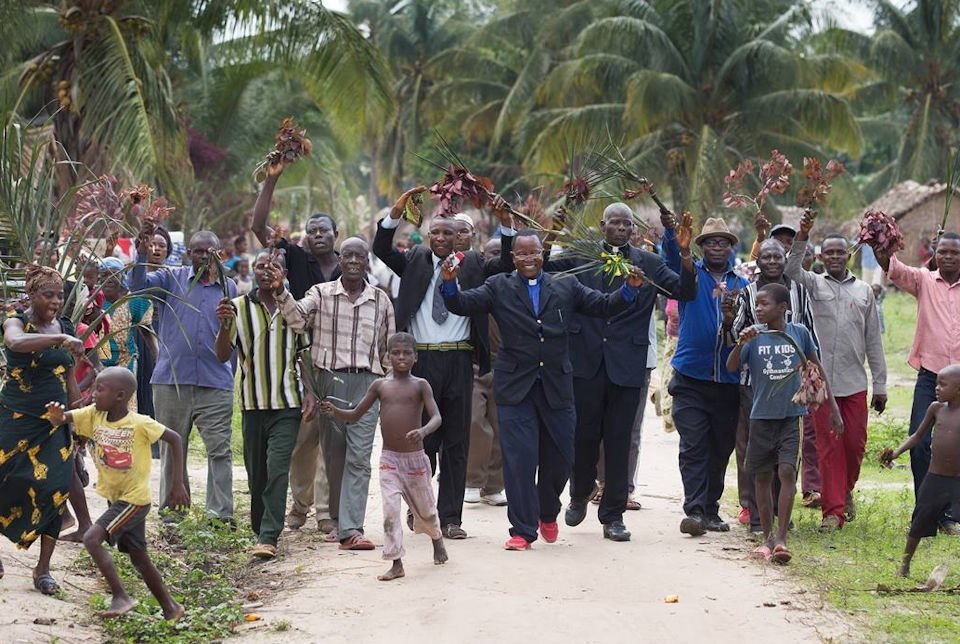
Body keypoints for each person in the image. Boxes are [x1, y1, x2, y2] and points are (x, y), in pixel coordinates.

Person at [440, 231, 644, 550]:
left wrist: (629, 291)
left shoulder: (565, 285)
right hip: (514, 387)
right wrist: (450, 283)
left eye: (533, 253)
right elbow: (460, 303)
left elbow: (604, 306)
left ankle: (548, 511)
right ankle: (522, 530)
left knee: (561, 456)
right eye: (521, 255)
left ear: (542, 254)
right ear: (513, 258)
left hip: (557, 385)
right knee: (519, 460)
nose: (528, 259)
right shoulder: (499, 286)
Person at [546, 203, 696, 542]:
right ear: (603, 225)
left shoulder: (650, 263)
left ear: (633, 229)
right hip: (584, 361)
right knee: (582, 436)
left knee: (618, 440)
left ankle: (613, 515)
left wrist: (684, 253)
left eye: (626, 223)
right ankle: (579, 490)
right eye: (614, 222)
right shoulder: (580, 257)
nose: (620, 228)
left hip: (627, 364)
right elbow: (540, 265)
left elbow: (685, 291)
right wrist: (552, 230)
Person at [373, 186, 515, 539]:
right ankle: (419, 511)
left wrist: (508, 226)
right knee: (421, 441)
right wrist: (397, 211)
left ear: (459, 239)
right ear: (427, 236)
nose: (439, 238)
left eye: (447, 233)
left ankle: (451, 519)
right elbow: (380, 248)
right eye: (434, 232)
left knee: (456, 440)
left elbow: (508, 263)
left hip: (458, 359)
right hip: (420, 365)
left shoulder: (474, 265)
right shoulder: (414, 260)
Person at [273, 237, 395, 550]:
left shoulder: (381, 301)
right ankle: (340, 521)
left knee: (359, 458)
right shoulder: (321, 294)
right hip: (331, 382)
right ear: (341, 260)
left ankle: (352, 528)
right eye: (349, 255)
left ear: (367, 262)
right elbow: (298, 320)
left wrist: (390, 388)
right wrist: (280, 290)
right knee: (335, 454)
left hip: (367, 383)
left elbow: (387, 348)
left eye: (360, 256)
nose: (354, 261)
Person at [45, 367, 188, 620]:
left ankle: (120, 596)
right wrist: (56, 415)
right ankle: (171, 608)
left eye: (100, 389)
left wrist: (177, 484)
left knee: (91, 539)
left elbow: (175, 439)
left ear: (120, 396)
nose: (94, 394)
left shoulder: (140, 423)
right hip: (117, 498)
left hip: (133, 500)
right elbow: (63, 419)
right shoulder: (93, 415)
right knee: (140, 558)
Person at [726, 283, 841, 563]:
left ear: (783, 308)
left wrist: (833, 409)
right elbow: (731, 367)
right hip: (761, 418)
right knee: (762, 477)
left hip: (791, 418)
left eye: (765, 304)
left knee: (788, 472)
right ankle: (766, 538)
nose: (759, 309)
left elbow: (817, 368)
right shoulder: (754, 336)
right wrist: (741, 342)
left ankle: (781, 539)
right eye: (757, 305)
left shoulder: (799, 333)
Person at [130, 224, 237, 523]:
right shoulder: (169, 278)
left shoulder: (230, 288)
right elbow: (137, 288)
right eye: (198, 251)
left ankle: (220, 516)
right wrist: (140, 253)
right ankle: (173, 514)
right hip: (171, 381)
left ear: (219, 254)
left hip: (215, 382)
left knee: (220, 450)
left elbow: (232, 340)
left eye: (210, 251)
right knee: (172, 449)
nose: (204, 256)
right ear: (188, 253)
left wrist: (231, 376)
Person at [252, 160, 337, 533]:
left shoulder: (351, 267)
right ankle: (299, 508)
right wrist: (271, 181)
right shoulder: (297, 260)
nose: (317, 235)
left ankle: (326, 513)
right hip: (301, 359)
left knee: (333, 442)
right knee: (303, 441)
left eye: (324, 230)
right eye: (311, 230)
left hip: (338, 362)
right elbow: (258, 228)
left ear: (338, 234)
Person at [787, 211, 887, 531]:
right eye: (828, 252)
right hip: (821, 384)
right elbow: (791, 269)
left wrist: (881, 384)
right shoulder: (814, 284)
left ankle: (845, 490)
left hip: (855, 381)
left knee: (855, 445)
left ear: (849, 256)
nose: (833, 257)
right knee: (828, 447)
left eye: (839, 252)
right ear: (820, 256)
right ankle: (833, 512)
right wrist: (803, 234)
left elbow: (874, 341)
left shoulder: (864, 293)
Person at [320, 332, 448, 581]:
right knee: (390, 511)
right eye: (396, 353)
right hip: (389, 460)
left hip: (415, 462)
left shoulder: (420, 385)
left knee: (427, 511)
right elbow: (356, 414)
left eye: (406, 353)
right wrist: (336, 411)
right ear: (387, 357)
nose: (401, 357)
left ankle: (437, 538)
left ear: (415, 357)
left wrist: (423, 431)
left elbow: (437, 417)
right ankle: (396, 562)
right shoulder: (380, 386)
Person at [662, 215, 750, 536]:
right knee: (694, 444)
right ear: (701, 246)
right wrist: (672, 234)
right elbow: (671, 257)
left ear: (729, 248)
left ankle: (711, 509)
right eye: (711, 242)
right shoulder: (689, 275)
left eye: (722, 242)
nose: (717, 247)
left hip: (727, 383)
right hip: (690, 379)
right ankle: (695, 510)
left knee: (720, 446)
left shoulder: (742, 285)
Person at [215, 251, 305, 558]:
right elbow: (222, 354)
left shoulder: (292, 307)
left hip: (287, 404)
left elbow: (303, 348)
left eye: (274, 267)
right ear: (252, 271)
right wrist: (224, 325)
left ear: (283, 272)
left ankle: (269, 535)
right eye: (260, 267)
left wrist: (311, 397)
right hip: (252, 405)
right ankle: (260, 526)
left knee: (278, 468)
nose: (266, 272)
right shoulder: (238, 307)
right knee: (257, 474)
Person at [726, 238, 820, 531]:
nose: (771, 261)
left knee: (787, 466)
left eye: (776, 256)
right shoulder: (748, 302)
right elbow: (733, 350)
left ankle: (781, 524)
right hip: (755, 393)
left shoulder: (799, 306)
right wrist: (739, 336)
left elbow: (812, 356)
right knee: (755, 461)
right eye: (764, 256)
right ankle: (756, 516)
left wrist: (818, 396)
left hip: (791, 405)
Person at [0, 265, 84, 594]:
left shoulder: (65, 325)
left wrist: (79, 420)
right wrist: (61, 339)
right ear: (33, 295)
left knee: (56, 488)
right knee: (5, 479)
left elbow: (69, 376)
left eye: (60, 295)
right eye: (48, 294)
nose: (56, 301)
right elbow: (16, 343)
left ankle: (43, 569)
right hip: (15, 418)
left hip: (54, 423)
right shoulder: (17, 321)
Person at [871, 231, 960, 534]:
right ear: (935, 254)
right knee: (920, 444)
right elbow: (892, 267)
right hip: (931, 377)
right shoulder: (923, 280)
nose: (949, 257)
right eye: (943, 251)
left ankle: (950, 515)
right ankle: (926, 511)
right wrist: (879, 245)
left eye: (954, 252)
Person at [881, 364, 960, 576]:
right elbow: (917, 436)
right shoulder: (936, 409)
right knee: (918, 523)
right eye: (936, 384)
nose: (937, 388)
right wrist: (896, 452)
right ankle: (905, 565)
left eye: (943, 385)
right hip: (935, 478)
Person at [464, 237, 508, 506]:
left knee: (501, 426)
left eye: (501, 256)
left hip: (506, 366)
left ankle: (493, 486)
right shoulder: (476, 291)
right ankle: (472, 480)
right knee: (475, 422)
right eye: (491, 255)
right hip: (476, 365)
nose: (495, 261)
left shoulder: (515, 290)